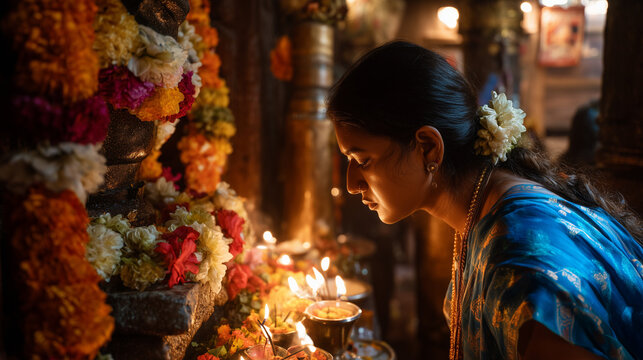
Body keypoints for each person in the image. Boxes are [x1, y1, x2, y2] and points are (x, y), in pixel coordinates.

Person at [327, 41, 643, 360]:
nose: (351, 183)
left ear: (427, 148)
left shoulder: (519, 264)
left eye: (362, 160)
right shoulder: (489, 207)